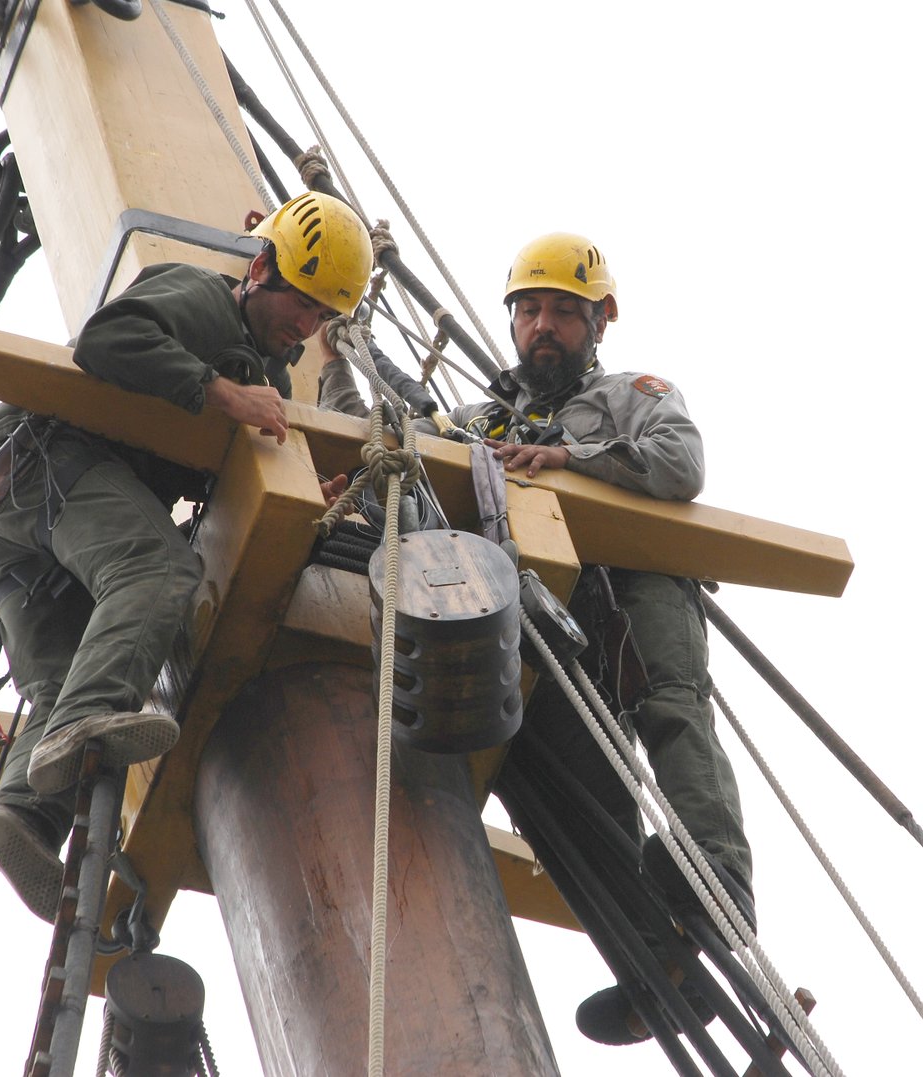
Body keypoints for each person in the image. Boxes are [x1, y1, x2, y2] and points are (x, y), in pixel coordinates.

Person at [319, 232, 753, 1045]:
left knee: (670, 707)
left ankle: (715, 885)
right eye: (529, 311)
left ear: (599, 321)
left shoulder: (631, 395)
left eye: (562, 311)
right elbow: (403, 435)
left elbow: (678, 462)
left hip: (632, 584)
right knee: (554, 779)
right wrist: (341, 340)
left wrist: (567, 457)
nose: (543, 325)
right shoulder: (484, 418)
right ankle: (650, 953)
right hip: (534, 605)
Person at [0, 191, 374, 921]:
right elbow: (108, 338)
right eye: (301, 302)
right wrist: (225, 395)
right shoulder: (207, 302)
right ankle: (88, 723)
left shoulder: (268, 382)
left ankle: (23, 815)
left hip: (12, 524)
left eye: (321, 315)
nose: (306, 326)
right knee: (158, 570)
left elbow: (218, 484)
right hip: (39, 461)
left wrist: (309, 498)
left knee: (64, 680)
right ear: (261, 269)